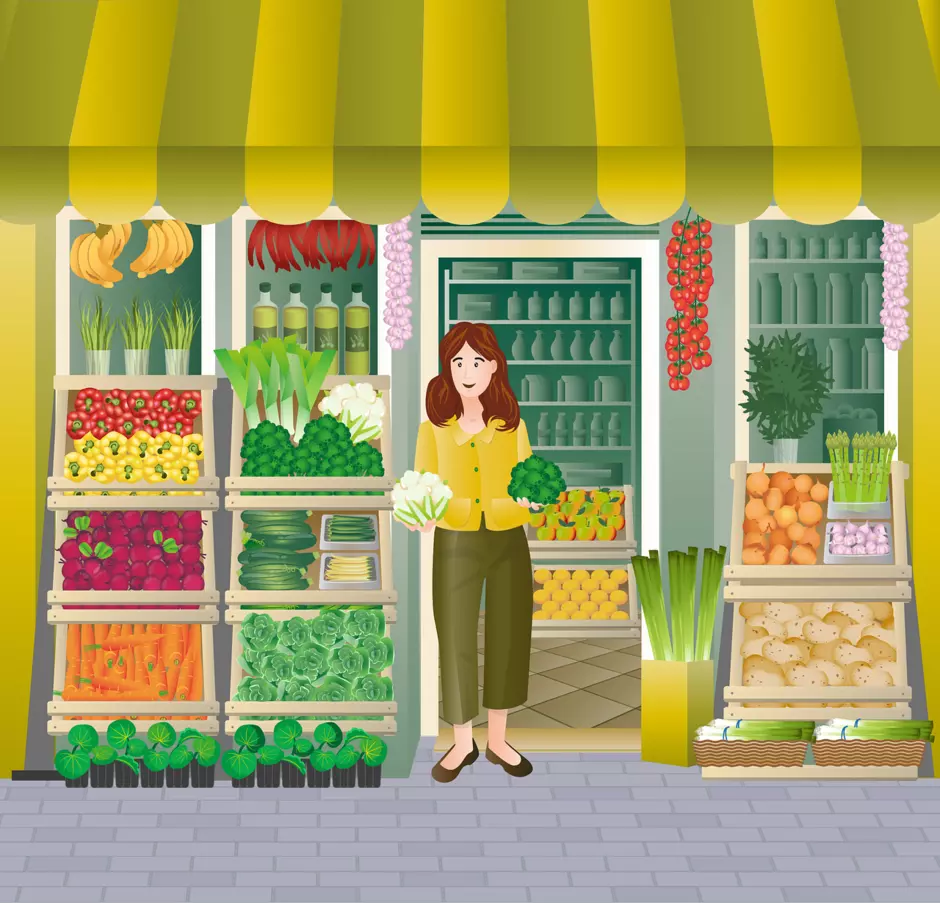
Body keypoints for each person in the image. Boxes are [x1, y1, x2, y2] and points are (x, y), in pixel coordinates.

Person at [411, 321, 537, 783]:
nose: (467, 370)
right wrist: (420, 511)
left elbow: (529, 478)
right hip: (456, 536)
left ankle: (499, 740)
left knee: (509, 633)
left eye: (477, 362)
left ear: (493, 368)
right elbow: (421, 483)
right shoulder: (434, 430)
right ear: (447, 369)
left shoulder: (511, 426)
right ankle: (462, 741)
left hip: (507, 535)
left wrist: (534, 503)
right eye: (458, 361)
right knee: (456, 635)